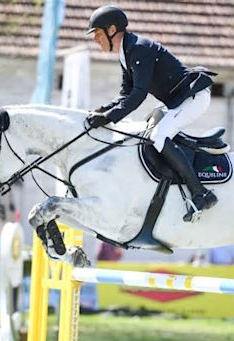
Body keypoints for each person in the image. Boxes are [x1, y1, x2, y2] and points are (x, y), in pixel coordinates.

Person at [85, 5, 218, 222]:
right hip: (178, 101)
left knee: (159, 136)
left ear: (111, 30)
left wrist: (109, 118)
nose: (95, 40)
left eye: (98, 34)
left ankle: (201, 193)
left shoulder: (139, 48)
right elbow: (124, 93)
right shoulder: (126, 53)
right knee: (147, 131)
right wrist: (102, 110)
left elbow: (138, 95)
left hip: (193, 98)